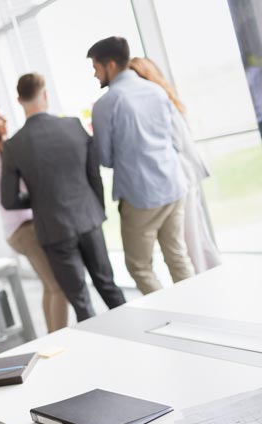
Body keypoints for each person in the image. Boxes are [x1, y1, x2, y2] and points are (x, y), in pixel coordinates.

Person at [0, 73, 125, 322]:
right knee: (108, 286)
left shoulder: (13, 145)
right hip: (88, 218)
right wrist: (96, 208)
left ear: (18, 100)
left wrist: (36, 199)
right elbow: (94, 174)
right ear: (45, 95)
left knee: (81, 302)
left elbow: (9, 200)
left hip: (53, 228)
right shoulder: (73, 126)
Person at [88, 36, 195, 294]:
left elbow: (105, 157)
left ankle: (169, 319)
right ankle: (200, 310)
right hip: (173, 185)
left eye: (95, 67)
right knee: (177, 256)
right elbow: (175, 140)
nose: (94, 74)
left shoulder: (106, 104)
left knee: (139, 266)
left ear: (110, 65)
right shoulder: (156, 91)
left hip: (141, 194)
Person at [0, 105, 69, 332]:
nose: (4, 119)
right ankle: (59, 340)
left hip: (16, 230)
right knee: (59, 287)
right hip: (26, 229)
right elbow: (27, 184)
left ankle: (50, 336)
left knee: (49, 286)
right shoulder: (0, 154)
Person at [129, 56, 221, 273]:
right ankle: (214, 278)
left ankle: (205, 284)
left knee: (191, 242)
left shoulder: (161, 103)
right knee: (197, 238)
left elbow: (177, 142)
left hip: (180, 177)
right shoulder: (163, 100)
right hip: (181, 177)